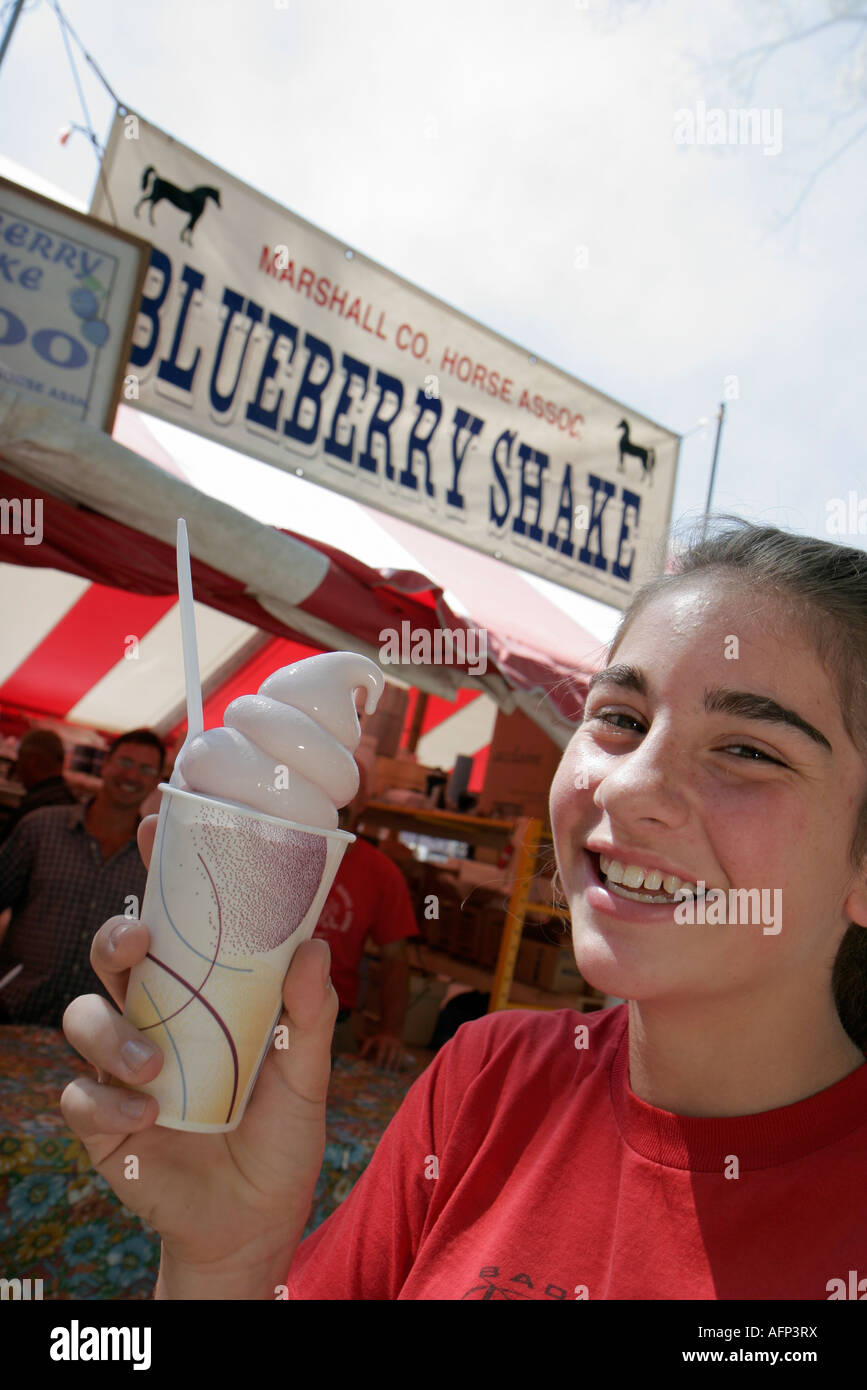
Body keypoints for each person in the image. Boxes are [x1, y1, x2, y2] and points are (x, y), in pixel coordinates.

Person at [59, 518, 867, 1300]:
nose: (625, 786)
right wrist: (226, 1262)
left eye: (749, 751)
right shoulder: (490, 1078)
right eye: (619, 719)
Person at [0, 729, 164, 1026]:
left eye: (146, 769)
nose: (132, 776)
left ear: (156, 782)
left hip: (99, 1033)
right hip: (13, 1014)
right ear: (105, 764)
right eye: (125, 762)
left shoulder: (159, 859)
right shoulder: (40, 829)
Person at [315, 763, 420, 1070]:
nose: (339, 802)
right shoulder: (280, 849)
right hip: (262, 1009)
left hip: (335, 1022)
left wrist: (391, 1032)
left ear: (363, 802)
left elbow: (396, 960)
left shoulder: (382, 875)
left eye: (349, 792)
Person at [0, 728, 77, 845]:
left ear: (32, 761)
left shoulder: (37, 805)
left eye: (20, 759)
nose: (17, 769)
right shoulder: (71, 804)